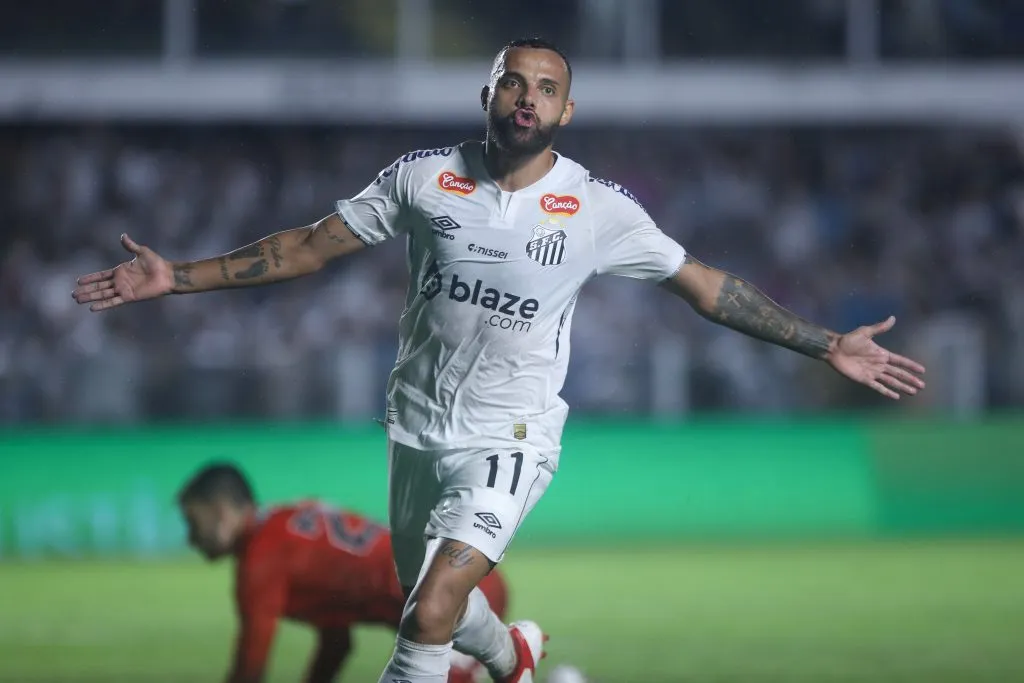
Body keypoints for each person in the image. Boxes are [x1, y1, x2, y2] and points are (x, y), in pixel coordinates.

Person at [73, 36, 927, 683]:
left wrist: (827, 342)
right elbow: (305, 246)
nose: (529, 98)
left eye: (547, 89)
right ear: (488, 92)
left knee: (430, 608)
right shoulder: (421, 178)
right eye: (514, 82)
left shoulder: (595, 208)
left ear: (566, 113)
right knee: (442, 602)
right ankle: (517, 653)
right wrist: (173, 276)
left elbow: (707, 286)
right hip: (415, 427)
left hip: (512, 433)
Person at [177, 462, 508, 683]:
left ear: (221, 512)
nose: (191, 538)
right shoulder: (280, 529)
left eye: (194, 522)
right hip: (466, 585)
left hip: (454, 600)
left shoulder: (260, 559)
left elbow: (250, 666)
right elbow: (336, 642)